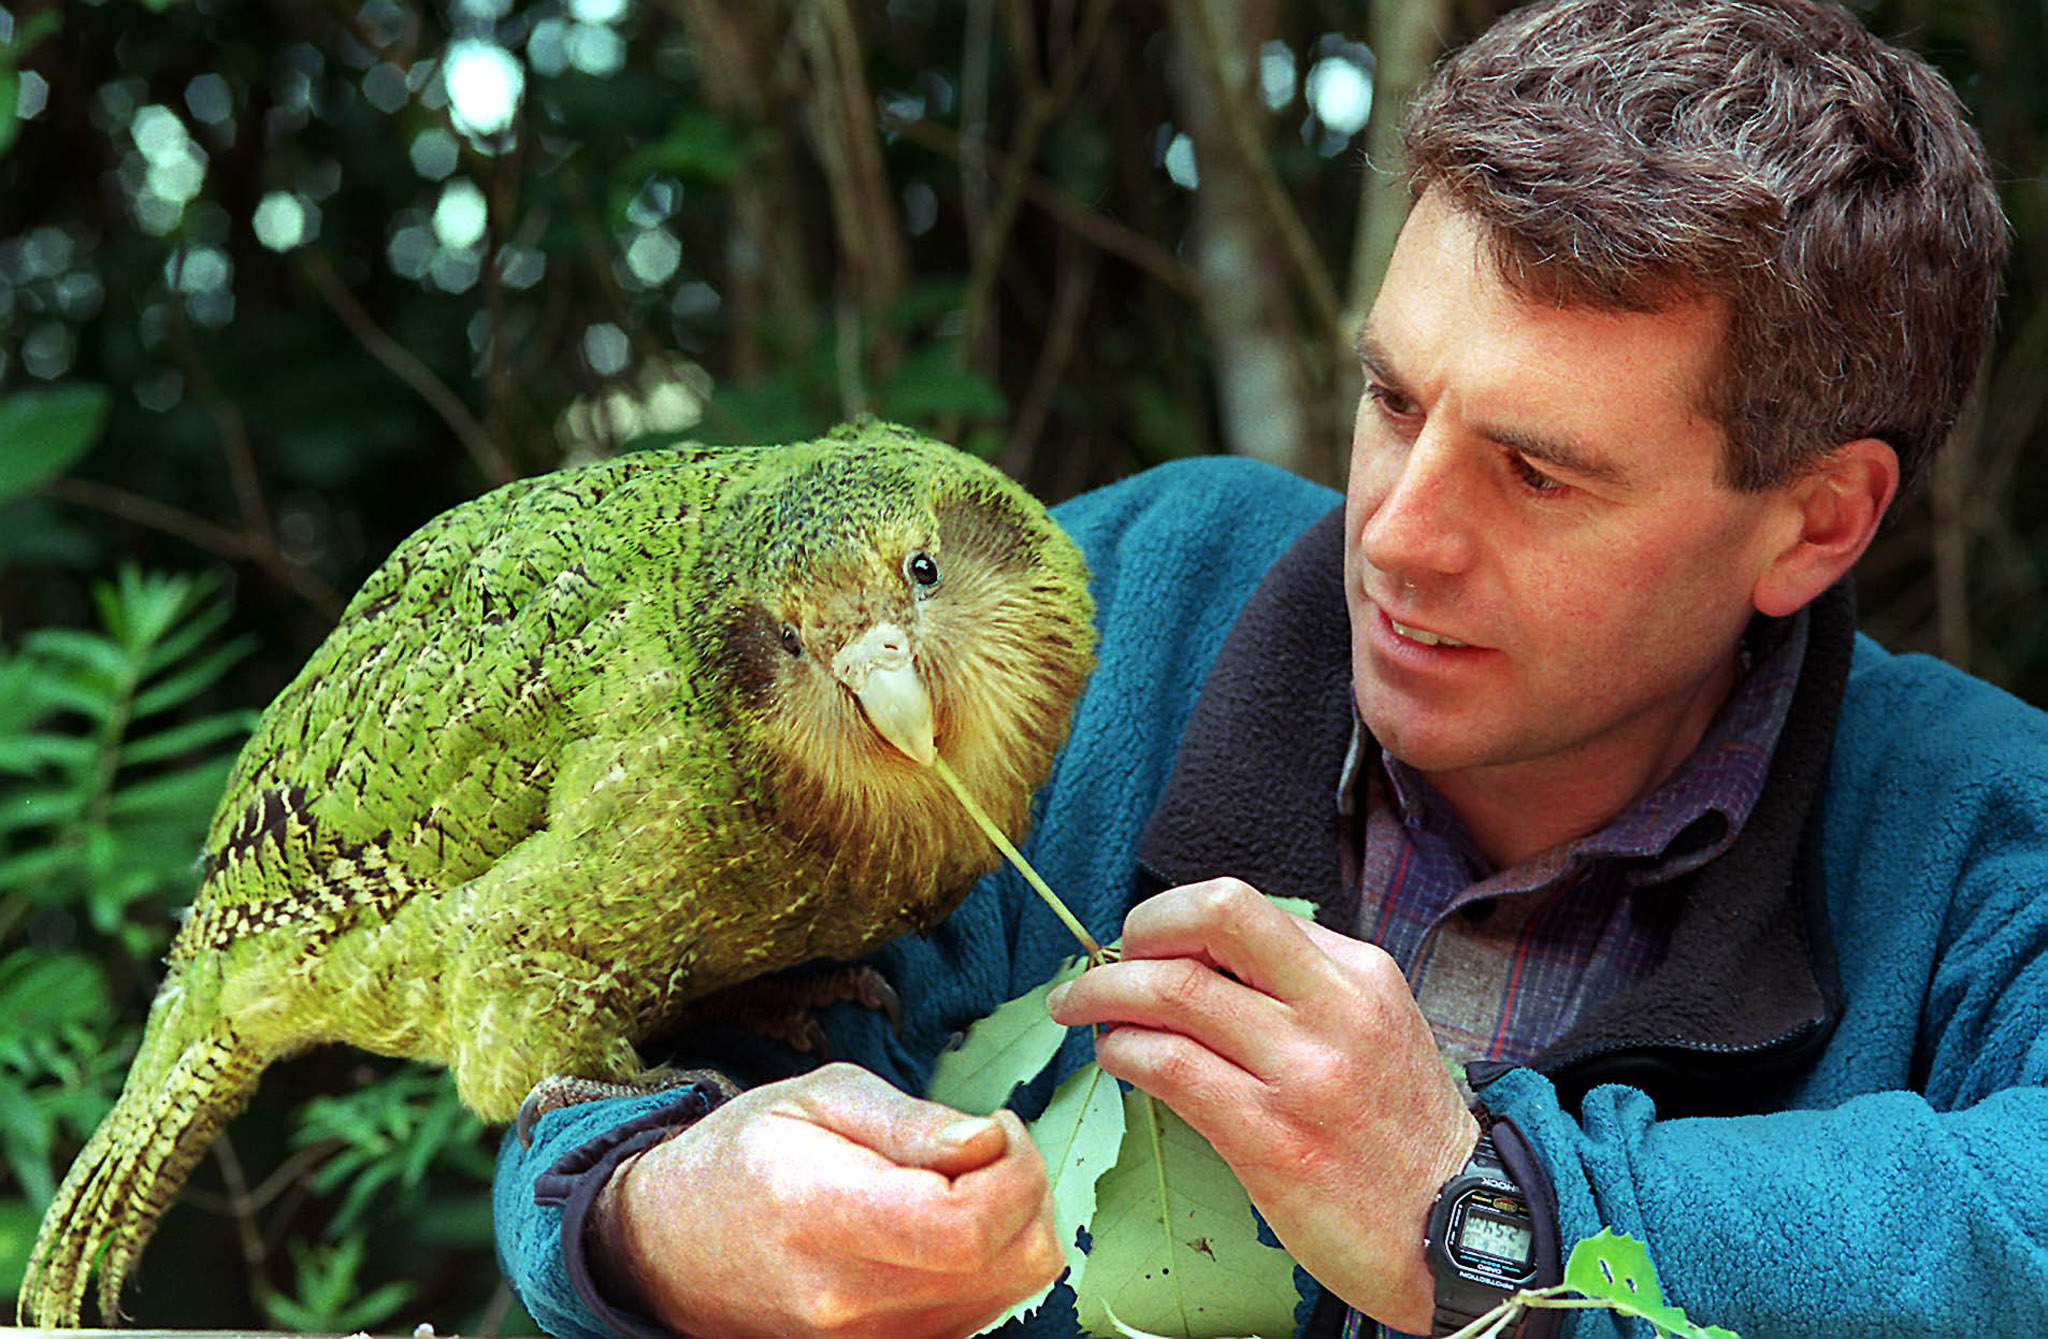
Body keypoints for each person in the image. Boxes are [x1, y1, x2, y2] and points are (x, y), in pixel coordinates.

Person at [494, 0, 2042, 1334]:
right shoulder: (1104, 615)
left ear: (1815, 521)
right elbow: (622, 1049)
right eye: (1392, 402)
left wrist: (1488, 1208)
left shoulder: (1976, 828)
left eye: (1537, 475)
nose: (1397, 536)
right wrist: (658, 1213)